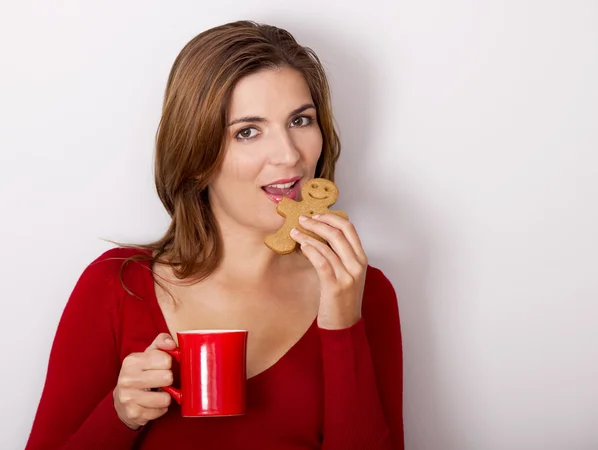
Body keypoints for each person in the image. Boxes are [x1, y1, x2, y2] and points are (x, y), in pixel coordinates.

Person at [25, 20, 404, 450]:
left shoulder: (364, 293)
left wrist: (342, 327)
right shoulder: (117, 286)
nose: (289, 154)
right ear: (197, 153)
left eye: (301, 120)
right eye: (247, 131)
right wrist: (118, 416)